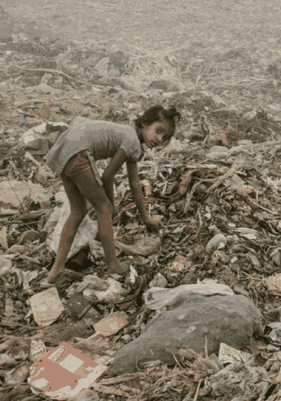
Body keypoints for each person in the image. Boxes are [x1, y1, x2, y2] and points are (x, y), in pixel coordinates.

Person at [43, 105, 181, 284]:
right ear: (145, 123)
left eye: (165, 137)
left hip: (66, 148)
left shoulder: (131, 141)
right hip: (78, 151)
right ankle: (112, 264)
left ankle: (57, 269)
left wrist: (145, 218)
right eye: (158, 131)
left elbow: (134, 184)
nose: (159, 138)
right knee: (104, 209)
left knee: (78, 212)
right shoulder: (131, 139)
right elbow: (107, 176)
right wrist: (110, 205)